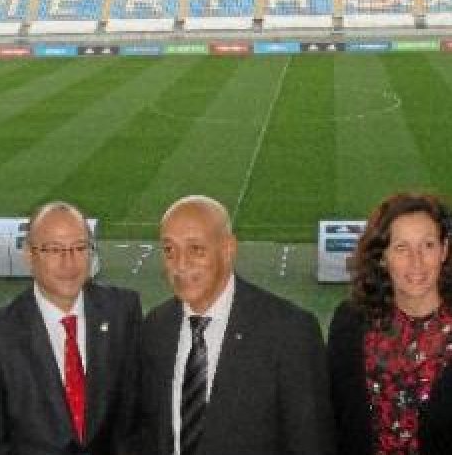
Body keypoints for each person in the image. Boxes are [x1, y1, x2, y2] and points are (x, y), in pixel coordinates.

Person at [139, 195, 334, 455]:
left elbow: (311, 443)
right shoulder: (155, 328)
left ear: (228, 250)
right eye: (169, 250)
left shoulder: (290, 332)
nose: (180, 265)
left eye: (196, 249)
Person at [328, 193, 452, 455]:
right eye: (401, 248)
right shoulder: (349, 323)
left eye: (427, 245)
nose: (416, 262)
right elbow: (335, 421)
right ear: (383, 257)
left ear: (444, 250)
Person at [0, 201, 142, 455]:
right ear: (29, 254)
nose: (69, 262)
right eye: (54, 249)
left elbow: (135, 416)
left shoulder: (122, 311)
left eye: (79, 248)